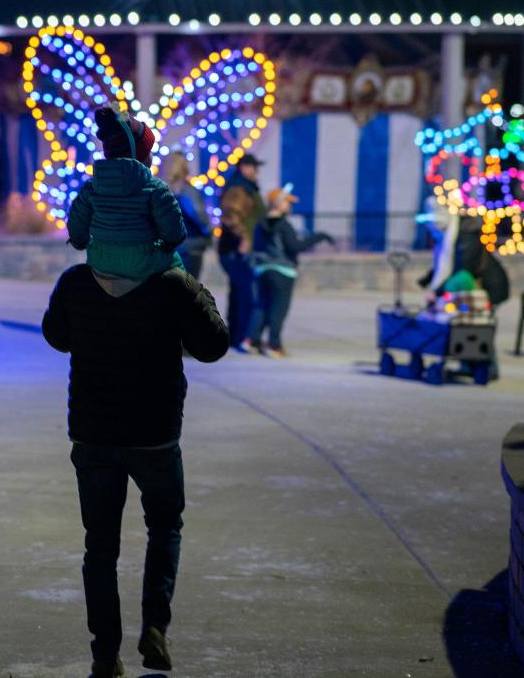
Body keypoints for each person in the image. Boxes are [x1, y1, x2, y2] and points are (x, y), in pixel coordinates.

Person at [42, 259, 229, 677]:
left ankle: (105, 655)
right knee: (164, 527)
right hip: (155, 434)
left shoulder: (77, 281)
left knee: (100, 545)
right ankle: (155, 628)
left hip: (93, 434)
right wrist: (196, 291)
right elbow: (214, 345)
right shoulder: (172, 284)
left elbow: (56, 335)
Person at [67, 105, 186, 281]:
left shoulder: (90, 189)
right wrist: (159, 245)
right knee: (195, 296)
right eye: (148, 151)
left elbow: (77, 235)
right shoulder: (156, 190)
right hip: (149, 269)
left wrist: (96, 245)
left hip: (102, 267)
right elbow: (175, 235)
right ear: (139, 155)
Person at [247, 188, 333, 357]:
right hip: (282, 271)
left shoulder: (259, 224)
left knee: (262, 305)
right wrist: (319, 237)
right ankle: (274, 345)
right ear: (278, 203)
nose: (290, 205)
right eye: (287, 202)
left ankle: (253, 341)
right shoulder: (283, 225)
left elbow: (255, 247)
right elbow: (295, 247)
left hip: (262, 270)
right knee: (279, 309)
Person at [218, 154, 267, 351]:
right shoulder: (239, 188)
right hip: (236, 251)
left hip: (234, 250)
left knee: (239, 293)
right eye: (255, 167)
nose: (257, 172)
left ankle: (235, 335)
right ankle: (241, 336)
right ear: (246, 168)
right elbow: (230, 214)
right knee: (245, 294)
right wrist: (245, 238)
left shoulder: (245, 187)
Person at [163, 154, 212, 280]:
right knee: (189, 292)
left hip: (169, 248)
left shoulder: (161, 189)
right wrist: (208, 232)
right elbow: (199, 215)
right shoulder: (186, 190)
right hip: (190, 246)